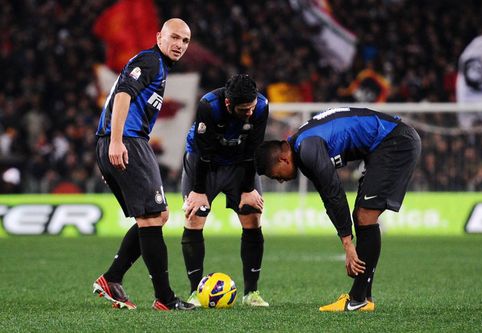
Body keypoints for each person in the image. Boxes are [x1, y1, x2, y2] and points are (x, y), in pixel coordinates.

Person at [254, 107, 421, 312]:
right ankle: (363, 297)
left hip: (395, 142)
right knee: (361, 216)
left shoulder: (307, 147)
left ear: (283, 159)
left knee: (365, 216)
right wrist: (346, 239)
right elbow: (329, 198)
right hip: (384, 145)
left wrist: (348, 245)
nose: (279, 181)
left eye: (275, 175)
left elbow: (334, 192)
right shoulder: (303, 146)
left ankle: (358, 300)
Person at [93, 18, 195, 311]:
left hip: (125, 142)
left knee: (157, 215)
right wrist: (115, 142)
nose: (179, 45)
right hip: (127, 140)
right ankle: (165, 298)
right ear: (159, 37)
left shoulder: (158, 68)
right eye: (174, 38)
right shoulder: (150, 61)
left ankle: (113, 278)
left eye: (185, 41)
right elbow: (122, 95)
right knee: (151, 219)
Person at [181, 74, 270, 307]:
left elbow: (254, 148)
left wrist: (249, 188)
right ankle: (194, 293)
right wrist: (199, 191)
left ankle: (251, 293)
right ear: (229, 104)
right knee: (194, 218)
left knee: (253, 216)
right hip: (203, 164)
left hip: (240, 164)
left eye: (251, 108)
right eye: (243, 110)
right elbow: (203, 152)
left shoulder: (261, 106)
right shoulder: (209, 106)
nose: (249, 113)